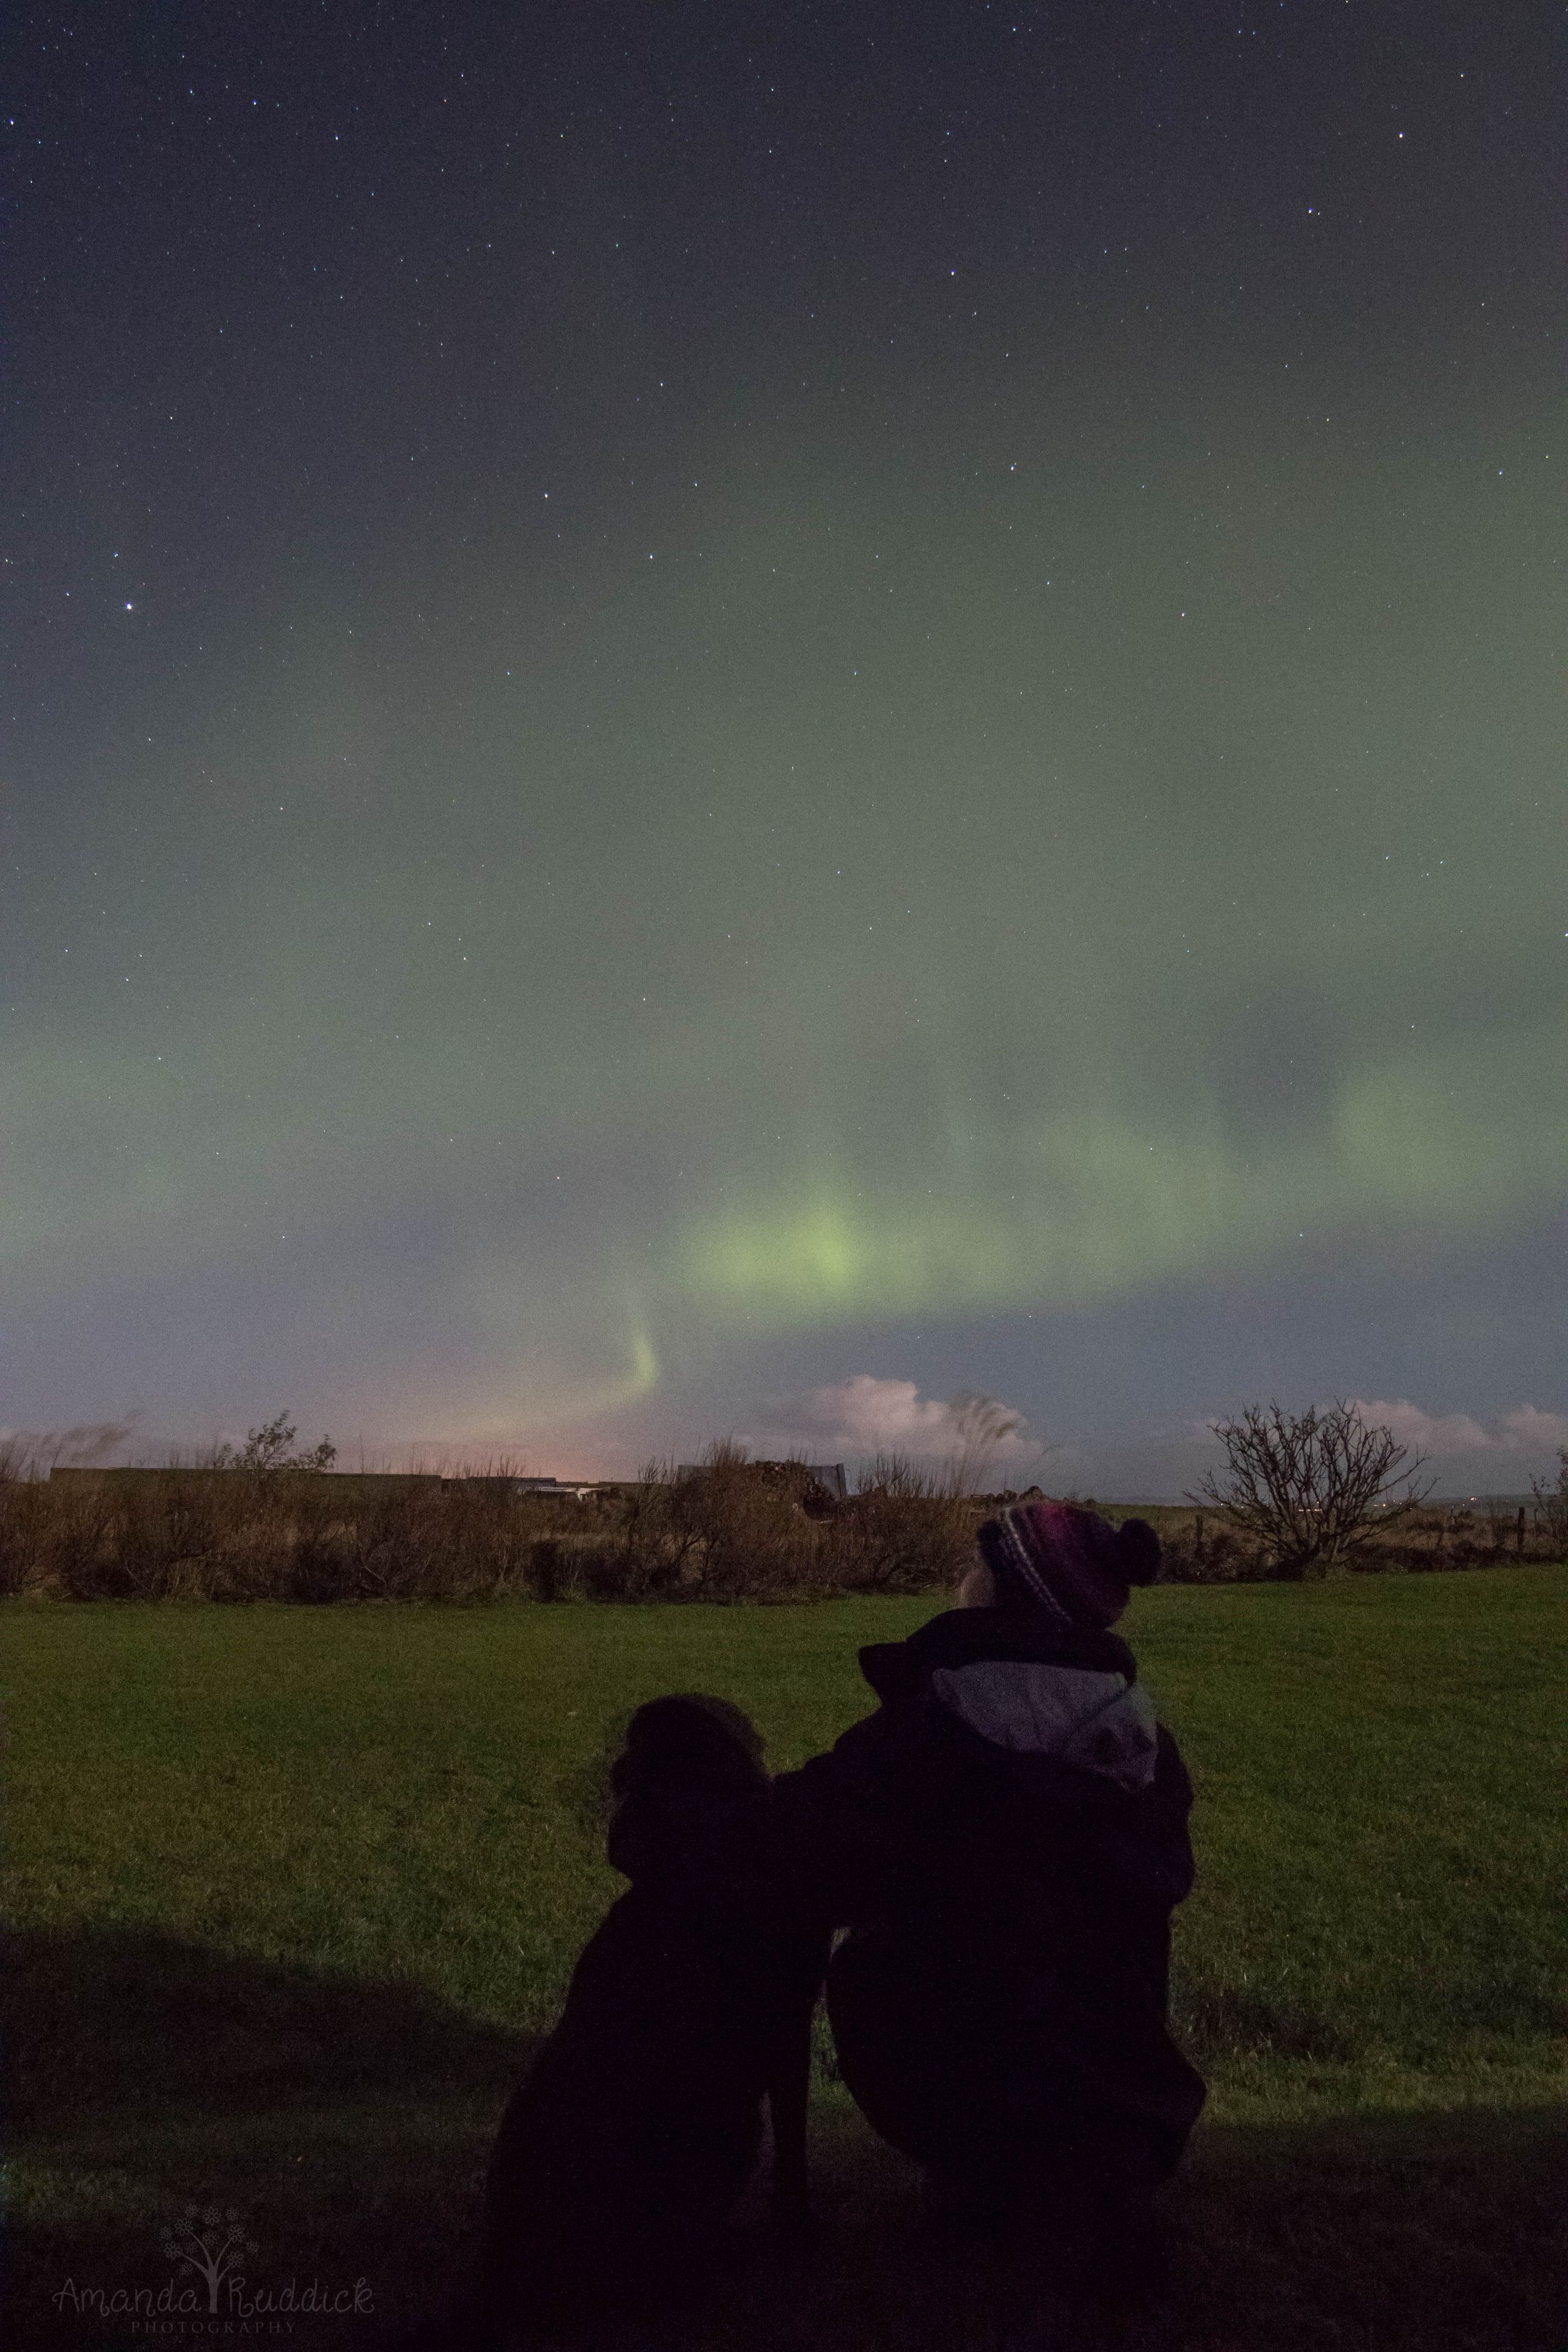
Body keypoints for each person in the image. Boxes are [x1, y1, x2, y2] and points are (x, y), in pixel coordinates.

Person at [769, 1499, 1205, 2299]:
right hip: (1123, 2097)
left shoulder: (934, 1724)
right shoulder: (1148, 1750)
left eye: (977, 1565)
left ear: (1000, 1591)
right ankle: (1084, 2192)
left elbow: (800, 1839)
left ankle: (982, 2181)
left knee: (874, 1958)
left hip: (963, 2089)